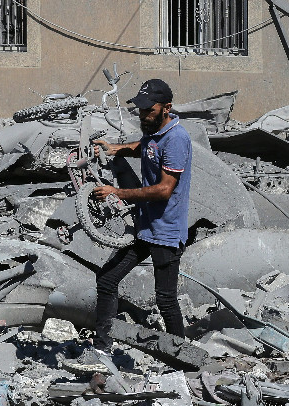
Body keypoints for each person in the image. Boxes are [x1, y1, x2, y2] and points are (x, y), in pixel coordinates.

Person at [63, 78, 193, 373]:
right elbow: (143, 148)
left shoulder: (177, 138)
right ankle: (102, 351)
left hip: (165, 230)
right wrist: (114, 149)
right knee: (107, 280)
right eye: (141, 109)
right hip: (144, 226)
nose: (142, 115)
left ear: (166, 108)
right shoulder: (154, 132)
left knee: (166, 300)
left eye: (149, 110)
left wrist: (116, 193)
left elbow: (163, 189)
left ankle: (182, 364)